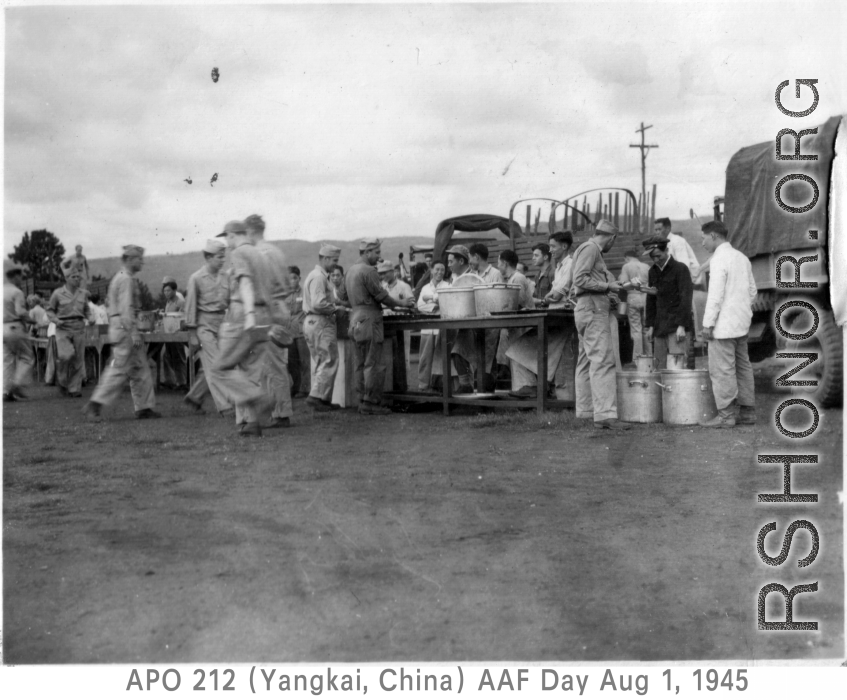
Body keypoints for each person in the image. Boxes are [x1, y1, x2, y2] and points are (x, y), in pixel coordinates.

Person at [212, 220, 279, 437]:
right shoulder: (261, 254)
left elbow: (246, 283)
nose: (227, 243)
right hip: (264, 315)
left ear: (232, 235)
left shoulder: (239, 253)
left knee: (220, 369)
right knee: (251, 369)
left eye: (227, 238)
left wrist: (249, 314)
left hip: (244, 314)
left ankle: (260, 398)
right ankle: (252, 423)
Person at [84, 245, 160, 422]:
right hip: (124, 330)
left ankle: (144, 408)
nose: (142, 262)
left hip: (121, 328)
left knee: (140, 369)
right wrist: (134, 333)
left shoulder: (123, 277)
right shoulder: (125, 279)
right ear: (129, 259)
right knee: (119, 370)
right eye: (139, 259)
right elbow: (126, 310)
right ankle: (94, 404)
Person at [345, 237, 415, 415]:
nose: (379, 256)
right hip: (370, 319)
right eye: (376, 253)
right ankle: (371, 402)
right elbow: (383, 297)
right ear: (367, 252)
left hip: (355, 319)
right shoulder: (369, 271)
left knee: (359, 363)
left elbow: (344, 297)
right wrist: (404, 303)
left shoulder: (351, 270)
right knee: (373, 363)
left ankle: (362, 400)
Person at [571, 220, 630, 429]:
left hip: (586, 308)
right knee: (603, 360)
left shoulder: (585, 249)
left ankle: (586, 410)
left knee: (586, 360)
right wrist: (608, 286)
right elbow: (579, 280)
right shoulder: (592, 249)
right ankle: (605, 415)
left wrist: (609, 293)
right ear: (611, 237)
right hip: (593, 310)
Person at [699, 220, 757, 428]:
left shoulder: (718, 259)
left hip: (723, 327)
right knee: (743, 367)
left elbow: (715, 295)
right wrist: (739, 310)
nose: (702, 243)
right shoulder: (741, 258)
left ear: (714, 236)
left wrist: (708, 324)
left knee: (722, 370)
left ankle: (726, 416)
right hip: (741, 324)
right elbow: (752, 292)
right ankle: (748, 413)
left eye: (704, 238)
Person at [244, 214, 295, 429]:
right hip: (280, 307)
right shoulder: (277, 252)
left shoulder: (257, 253)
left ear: (251, 231)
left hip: (266, 310)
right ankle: (277, 411)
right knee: (276, 364)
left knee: (270, 366)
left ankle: (281, 413)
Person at [182, 239, 232, 415]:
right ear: (208, 257)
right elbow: (190, 307)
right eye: (219, 257)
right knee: (214, 365)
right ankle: (225, 406)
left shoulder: (226, 277)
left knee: (215, 363)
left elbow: (231, 302)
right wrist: (193, 334)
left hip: (222, 325)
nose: (222, 260)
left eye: (223, 257)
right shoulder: (196, 278)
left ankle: (195, 396)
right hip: (204, 326)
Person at [639, 237, 694, 371]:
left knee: (677, 366)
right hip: (659, 327)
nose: (656, 260)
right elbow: (651, 300)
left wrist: (681, 326)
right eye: (653, 257)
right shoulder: (652, 271)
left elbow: (686, 298)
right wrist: (650, 326)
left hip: (676, 327)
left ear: (667, 250)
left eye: (658, 256)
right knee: (659, 366)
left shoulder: (681, 269)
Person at [654, 217, 700, 368]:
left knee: (683, 330)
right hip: (671, 294)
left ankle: (687, 368)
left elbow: (683, 269)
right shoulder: (661, 245)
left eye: (659, 229)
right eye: (655, 230)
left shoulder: (677, 242)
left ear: (668, 228)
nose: (657, 232)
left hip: (682, 289)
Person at [303, 243, 342, 412]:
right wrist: (335, 309)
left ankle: (324, 398)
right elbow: (318, 303)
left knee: (321, 360)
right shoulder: (319, 277)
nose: (335, 263)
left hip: (311, 321)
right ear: (325, 258)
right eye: (334, 260)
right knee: (329, 359)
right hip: (321, 321)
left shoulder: (316, 275)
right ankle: (316, 397)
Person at [46, 267, 93, 397]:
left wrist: (91, 317)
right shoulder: (57, 293)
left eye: (78, 277)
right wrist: (56, 320)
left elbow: (87, 310)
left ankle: (74, 389)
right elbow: (49, 310)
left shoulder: (83, 293)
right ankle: (61, 381)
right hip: (63, 328)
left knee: (78, 359)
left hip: (79, 327)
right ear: (66, 279)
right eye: (74, 277)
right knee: (66, 355)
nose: (77, 279)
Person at [379, 260, 414, 392]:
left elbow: (411, 305)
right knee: (389, 357)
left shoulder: (404, 286)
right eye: (381, 274)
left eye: (385, 273)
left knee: (403, 357)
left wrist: (397, 307)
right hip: (387, 326)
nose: (383, 276)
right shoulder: (382, 287)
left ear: (393, 272)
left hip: (401, 325)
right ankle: (392, 388)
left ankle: (406, 388)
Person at [416, 260, 449, 391]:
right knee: (424, 358)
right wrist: (434, 306)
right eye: (437, 269)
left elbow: (446, 303)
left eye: (442, 269)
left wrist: (433, 301)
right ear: (431, 270)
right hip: (427, 329)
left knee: (440, 358)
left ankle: (439, 386)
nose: (440, 272)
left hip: (440, 329)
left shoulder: (447, 286)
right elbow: (420, 305)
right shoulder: (425, 288)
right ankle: (423, 385)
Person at [3, 260, 34, 401]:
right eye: (20, 277)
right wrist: (32, 320)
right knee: (27, 357)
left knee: (6, 360)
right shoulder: (17, 292)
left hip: (2, 327)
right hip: (15, 326)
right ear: (15, 276)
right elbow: (20, 312)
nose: (21, 280)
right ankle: (17, 383)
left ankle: (5, 391)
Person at [618, 249, 652, 360]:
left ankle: (638, 358)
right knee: (646, 329)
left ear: (627, 258)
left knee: (636, 329)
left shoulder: (626, 266)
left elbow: (623, 284)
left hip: (633, 297)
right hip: (646, 297)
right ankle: (649, 357)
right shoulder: (646, 266)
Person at [285, 265, 310, 399]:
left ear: (299, 278)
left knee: (304, 362)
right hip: (289, 333)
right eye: (289, 279)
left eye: (294, 278)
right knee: (291, 363)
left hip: (301, 332)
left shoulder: (304, 293)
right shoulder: (284, 295)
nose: (292, 281)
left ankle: (305, 389)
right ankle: (296, 386)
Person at [160, 276, 187, 389]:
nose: (166, 293)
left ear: (175, 290)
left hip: (178, 334)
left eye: (169, 290)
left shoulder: (180, 302)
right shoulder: (168, 302)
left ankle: (182, 383)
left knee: (178, 357)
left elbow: (184, 318)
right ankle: (169, 380)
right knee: (166, 356)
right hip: (169, 334)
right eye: (165, 291)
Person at [543, 230, 574, 306]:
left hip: (564, 312)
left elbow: (556, 296)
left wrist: (547, 298)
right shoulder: (558, 267)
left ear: (564, 246)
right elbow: (553, 293)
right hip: (556, 309)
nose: (550, 250)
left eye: (553, 246)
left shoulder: (569, 265)